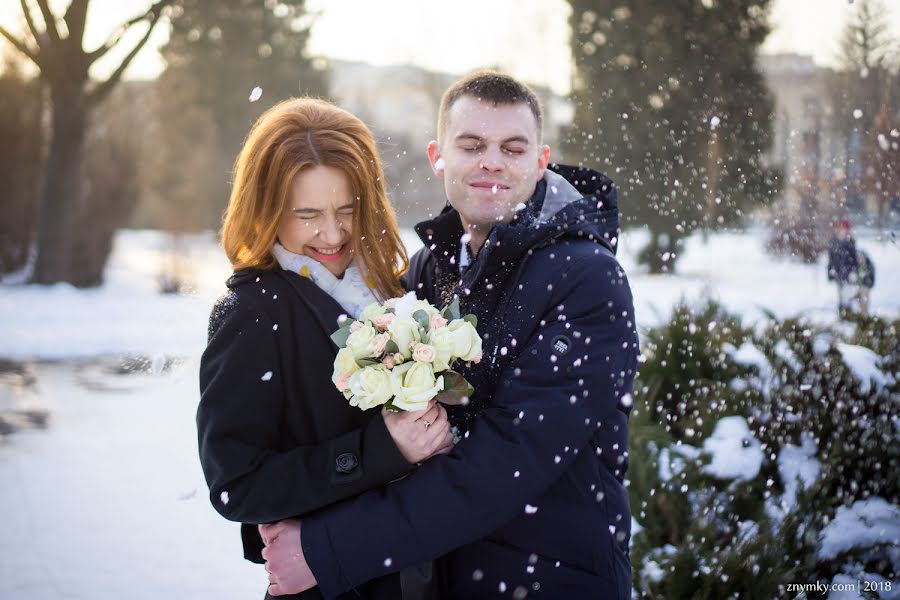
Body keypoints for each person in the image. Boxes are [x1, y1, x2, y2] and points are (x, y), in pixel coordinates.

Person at [262, 71, 639, 599]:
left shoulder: (586, 279)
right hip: (441, 579)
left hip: (552, 580)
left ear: (541, 159)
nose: (492, 161)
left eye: (513, 147)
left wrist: (330, 548)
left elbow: (510, 459)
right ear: (439, 156)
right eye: (472, 145)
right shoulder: (427, 270)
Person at [196, 98, 455, 600]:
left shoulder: (391, 292)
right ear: (267, 209)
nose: (332, 233)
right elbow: (237, 484)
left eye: (347, 209)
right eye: (307, 214)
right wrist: (381, 450)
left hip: (417, 575)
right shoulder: (251, 313)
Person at [827, 218, 859, 317]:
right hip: (838, 271)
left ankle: (848, 311)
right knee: (841, 292)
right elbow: (831, 258)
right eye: (841, 229)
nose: (843, 231)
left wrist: (854, 271)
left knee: (848, 292)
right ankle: (842, 311)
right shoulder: (834, 242)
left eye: (845, 229)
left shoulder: (850, 242)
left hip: (848, 272)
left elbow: (854, 259)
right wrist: (830, 271)